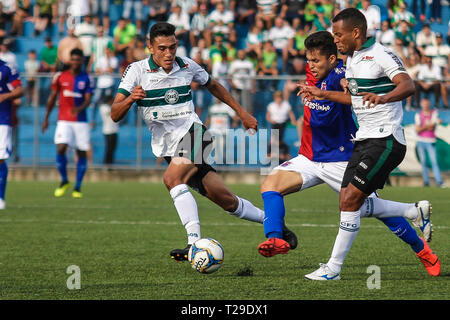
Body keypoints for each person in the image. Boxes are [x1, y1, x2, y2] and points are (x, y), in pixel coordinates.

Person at [111, 22, 297, 261]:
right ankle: (276, 225)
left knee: (171, 179)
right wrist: (130, 100)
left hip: (196, 134)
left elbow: (215, 85)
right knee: (227, 201)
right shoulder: (135, 71)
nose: (168, 54)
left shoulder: (187, 65)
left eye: (172, 47)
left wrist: (242, 113)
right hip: (169, 147)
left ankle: (194, 244)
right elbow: (115, 114)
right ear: (150, 47)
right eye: (162, 48)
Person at [297, 9, 440, 279]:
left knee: (350, 200)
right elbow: (356, 100)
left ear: (356, 33)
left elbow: (408, 85)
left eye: (338, 35)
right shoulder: (351, 61)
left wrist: (384, 98)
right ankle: (413, 211)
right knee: (350, 203)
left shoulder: (381, 55)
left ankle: (333, 269)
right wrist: (322, 92)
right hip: (364, 139)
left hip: (386, 139)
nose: (335, 40)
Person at [42, 48, 93, 199]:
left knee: (81, 152)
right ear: (70, 60)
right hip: (64, 119)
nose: (75, 62)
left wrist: (79, 108)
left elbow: (88, 99)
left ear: (81, 61)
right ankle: (64, 180)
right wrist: (46, 118)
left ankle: (77, 187)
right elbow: (52, 98)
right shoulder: (60, 76)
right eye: (73, 59)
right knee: (61, 147)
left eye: (78, 60)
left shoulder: (87, 78)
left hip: (80, 121)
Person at [0, 59, 24, 209]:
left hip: (2, 119)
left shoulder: (6, 68)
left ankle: (0, 198)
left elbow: (20, 90)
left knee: (0, 158)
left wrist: (4, 97)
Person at [415, 98, 444, 187]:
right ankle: (426, 182)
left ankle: (439, 182)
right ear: (421, 104)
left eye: (427, 103)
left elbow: (432, 127)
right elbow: (418, 130)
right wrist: (428, 125)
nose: (425, 105)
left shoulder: (434, 113)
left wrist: (424, 126)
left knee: (434, 162)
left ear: (429, 104)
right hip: (421, 141)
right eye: (424, 103)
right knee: (423, 162)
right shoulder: (418, 114)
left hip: (431, 141)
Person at [99, 95, 119, 167]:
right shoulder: (104, 107)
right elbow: (112, 112)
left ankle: (111, 164)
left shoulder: (109, 107)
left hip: (114, 130)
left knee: (113, 149)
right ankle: (107, 164)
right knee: (109, 149)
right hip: (108, 131)